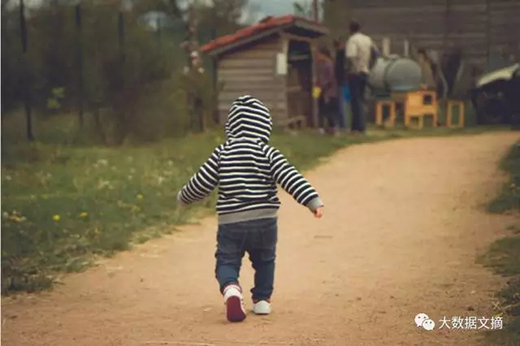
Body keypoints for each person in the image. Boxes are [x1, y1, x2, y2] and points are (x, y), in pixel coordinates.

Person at [177, 95, 324, 323]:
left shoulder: (222, 153)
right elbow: (290, 177)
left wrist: (184, 197)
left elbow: (201, 182)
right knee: (265, 260)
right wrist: (312, 201)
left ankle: (232, 289)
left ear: (231, 126)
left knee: (226, 261)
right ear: (265, 125)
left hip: (231, 223)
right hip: (265, 221)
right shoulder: (268, 153)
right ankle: (262, 301)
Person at [345, 21, 377, 134]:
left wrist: (354, 69)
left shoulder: (352, 40)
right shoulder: (367, 39)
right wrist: (369, 66)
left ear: (350, 29)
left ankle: (357, 127)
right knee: (362, 99)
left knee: (355, 100)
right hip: (365, 71)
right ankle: (362, 126)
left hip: (356, 73)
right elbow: (375, 54)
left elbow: (351, 56)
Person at [316, 47, 340, 135]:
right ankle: (323, 127)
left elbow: (329, 79)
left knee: (329, 111)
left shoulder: (329, 65)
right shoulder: (321, 65)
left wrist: (322, 86)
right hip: (322, 90)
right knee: (322, 109)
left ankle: (332, 128)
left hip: (329, 92)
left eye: (318, 55)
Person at [334, 39, 350, 133]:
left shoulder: (341, 55)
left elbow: (339, 69)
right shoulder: (345, 55)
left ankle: (343, 126)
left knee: (342, 104)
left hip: (341, 82)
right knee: (344, 104)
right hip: (344, 81)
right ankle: (343, 125)